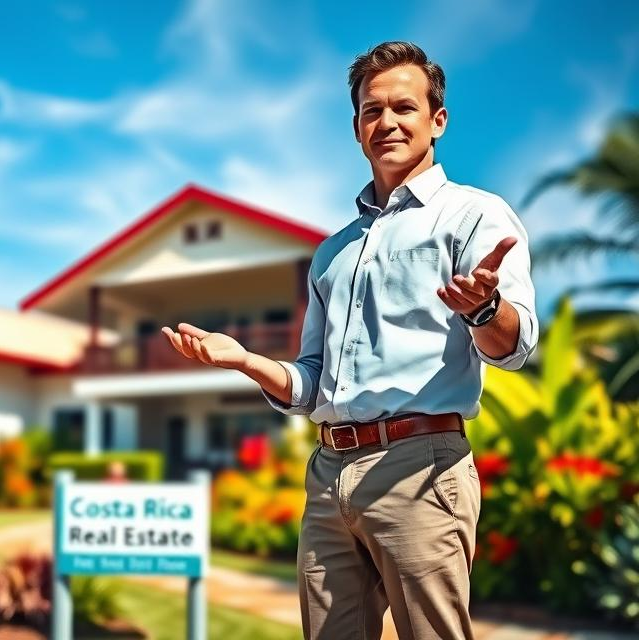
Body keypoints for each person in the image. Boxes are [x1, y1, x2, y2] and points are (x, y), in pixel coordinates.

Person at [160, 41, 538, 639]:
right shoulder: (333, 252)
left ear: (437, 120)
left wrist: (486, 307)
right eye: (370, 110)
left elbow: (514, 347)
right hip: (329, 470)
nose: (386, 122)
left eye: (404, 107)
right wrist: (247, 361)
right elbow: (314, 381)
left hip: (420, 468)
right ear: (357, 128)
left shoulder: (474, 216)